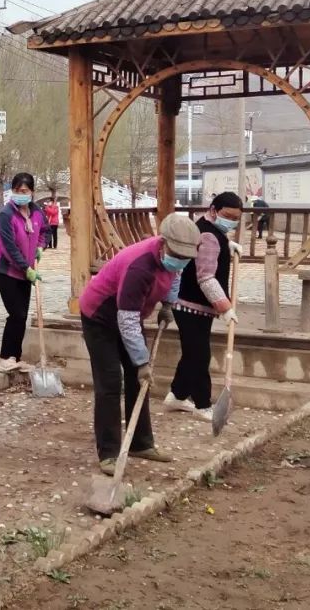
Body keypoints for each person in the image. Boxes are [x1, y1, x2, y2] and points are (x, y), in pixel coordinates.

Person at [79, 213, 201, 475]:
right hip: (100, 317)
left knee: (139, 380)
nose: (180, 260)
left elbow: (176, 274)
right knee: (111, 382)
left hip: (128, 317)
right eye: (176, 254)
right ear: (163, 243)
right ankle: (109, 452)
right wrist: (142, 361)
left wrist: (168, 302)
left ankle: (140, 443)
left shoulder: (179, 256)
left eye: (184, 257)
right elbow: (127, 319)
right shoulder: (140, 266)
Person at [166, 193, 243, 421]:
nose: (231, 221)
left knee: (192, 351)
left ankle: (177, 396)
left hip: (194, 305)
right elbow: (206, 277)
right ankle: (202, 404)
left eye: (236, 218)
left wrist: (227, 244)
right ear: (213, 210)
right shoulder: (209, 235)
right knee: (199, 355)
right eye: (227, 216)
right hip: (190, 304)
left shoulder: (209, 230)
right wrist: (225, 307)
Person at [0, 173, 51, 374]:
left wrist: (41, 247)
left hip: (27, 271)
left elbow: (46, 231)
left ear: (32, 192)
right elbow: (8, 248)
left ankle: (14, 357)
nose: (20, 194)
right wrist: (26, 270)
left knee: (22, 315)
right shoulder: (6, 215)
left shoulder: (37, 212)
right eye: (16, 191)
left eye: (24, 191)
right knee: (15, 313)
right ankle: (5, 358)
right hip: (6, 271)